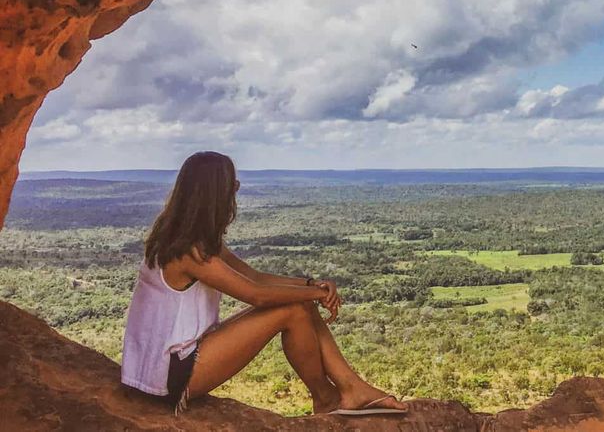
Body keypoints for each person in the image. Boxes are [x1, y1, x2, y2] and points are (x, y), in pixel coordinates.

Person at [120, 151, 409, 416]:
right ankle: (327, 398)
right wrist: (313, 293)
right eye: (232, 184)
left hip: (174, 360)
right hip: (169, 374)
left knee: (299, 304)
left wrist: (311, 286)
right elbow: (256, 294)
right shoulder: (188, 252)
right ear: (215, 194)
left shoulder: (189, 239)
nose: (237, 189)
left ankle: (351, 388)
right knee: (292, 310)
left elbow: (254, 276)